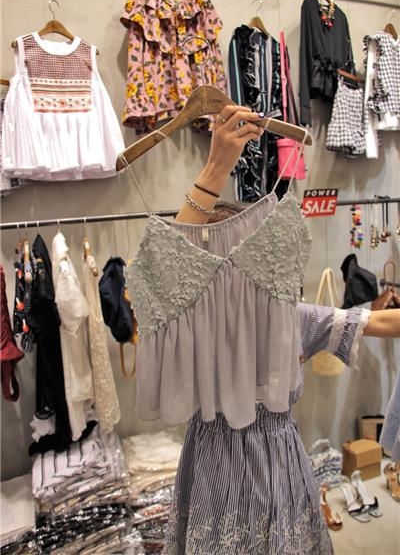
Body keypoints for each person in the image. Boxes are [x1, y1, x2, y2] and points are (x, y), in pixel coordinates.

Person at [126, 105, 400, 554]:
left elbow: (376, 321)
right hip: (214, 469)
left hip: (279, 468)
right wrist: (214, 170)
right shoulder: (188, 323)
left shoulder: (288, 318)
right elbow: (165, 272)